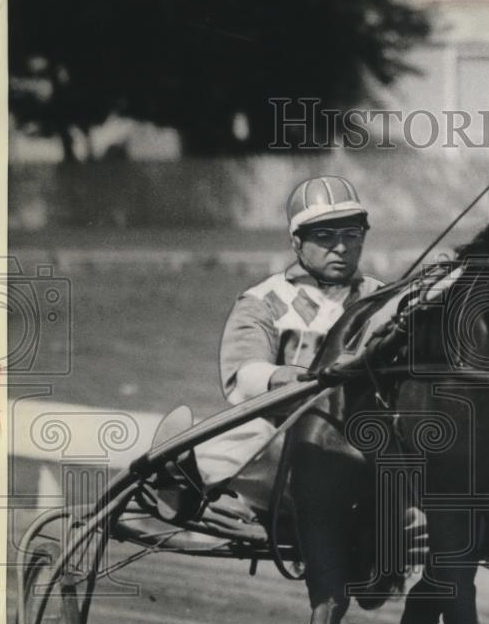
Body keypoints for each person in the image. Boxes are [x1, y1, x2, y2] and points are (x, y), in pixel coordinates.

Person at [150, 175, 382, 526]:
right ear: (296, 242)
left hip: (365, 450)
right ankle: (182, 469)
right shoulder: (264, 301)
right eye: (324, 236)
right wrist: (288, 378)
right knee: (257, 435)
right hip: (285, 453)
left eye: (352, 234)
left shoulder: (383, 299)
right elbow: (242, 378)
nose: (341, 247)